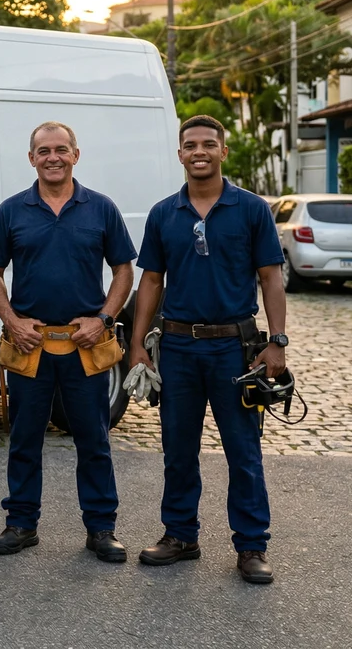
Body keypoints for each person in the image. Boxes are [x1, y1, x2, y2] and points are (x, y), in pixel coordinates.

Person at [127, 114, 288, 585]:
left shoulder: (252, 209)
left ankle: (252, 545)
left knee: (243, 451)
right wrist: (137, 344)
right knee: (178, 450)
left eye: (208, 144)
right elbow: (151, 281)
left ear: (223, 151)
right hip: (177, 347)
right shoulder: (163, 214)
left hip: (235, 352)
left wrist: (277, 342)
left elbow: (270, 277)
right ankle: (180, 535)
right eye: (190, 145)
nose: (199, 151)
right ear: (179, 154)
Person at [0, 121, 136, 562]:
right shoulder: (12, 210)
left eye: (61, 149)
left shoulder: (101, 208)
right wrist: (11, 320)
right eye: (44, 150)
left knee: (94, 439)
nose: (53, 157)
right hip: (31, 345)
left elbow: (124, 269)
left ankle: (102, 528)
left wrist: (104, 317)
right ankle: (21, 523)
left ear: (76, 155)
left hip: (85, 344)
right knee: (24, 439)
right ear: (31, 158)